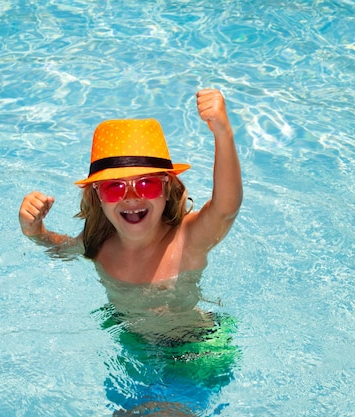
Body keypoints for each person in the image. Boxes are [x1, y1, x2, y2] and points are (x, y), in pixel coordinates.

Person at [18, 88, 242, 415]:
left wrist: (223, 131)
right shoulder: (99, 244)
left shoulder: (187, 238)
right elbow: (60, 250)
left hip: (194, 350)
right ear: (97, 195)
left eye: (147, 184)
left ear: (167, 187)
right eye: (115, 187)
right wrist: (34, 232)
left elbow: (226, 207)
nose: (132, 197)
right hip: (134, 347)